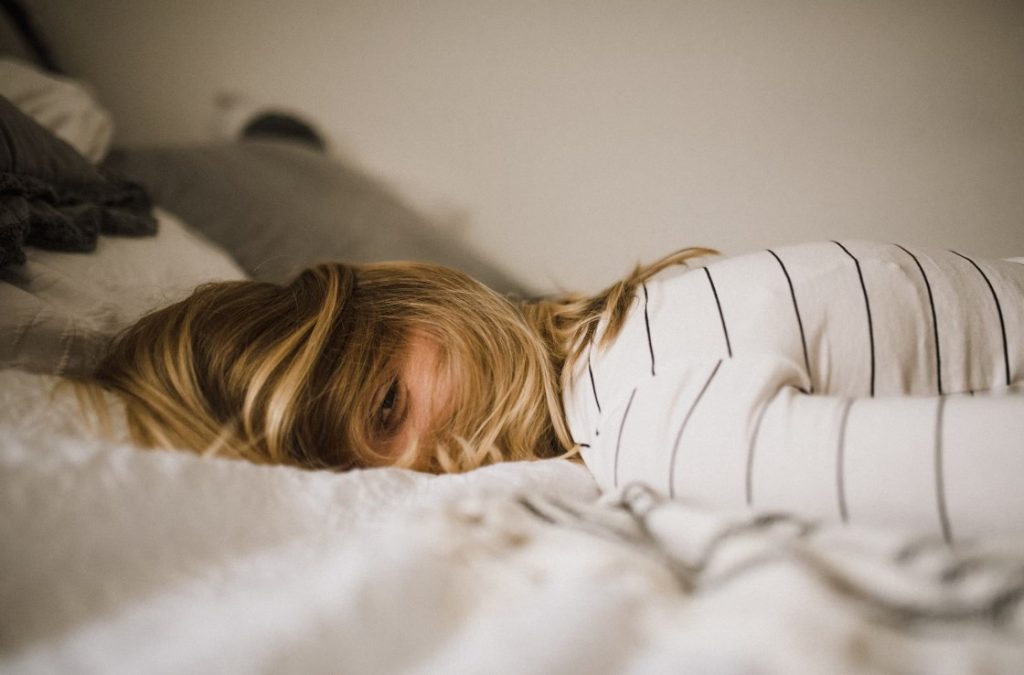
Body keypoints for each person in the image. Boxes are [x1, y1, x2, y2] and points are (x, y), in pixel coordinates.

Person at [84, 242, 1024, 539]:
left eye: (385, 408)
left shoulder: (649, 420)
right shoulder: (629, 334)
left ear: (421, 298)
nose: (422, 469)